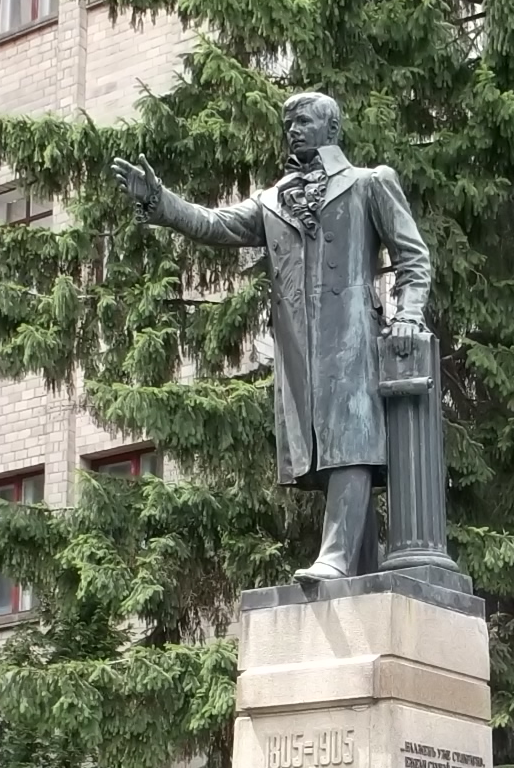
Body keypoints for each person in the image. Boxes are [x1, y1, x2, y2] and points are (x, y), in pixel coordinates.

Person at [112, 92, 431, 582]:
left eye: (303, 121)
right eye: (288, 124)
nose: (294, 130)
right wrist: (161, 202)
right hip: (300, 347)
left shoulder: (370, 183)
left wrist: (408, 314)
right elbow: (214, 224)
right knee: (326, 450)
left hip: (353, 338)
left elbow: (413, 258)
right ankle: (362, 564)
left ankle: (336, 556)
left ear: (331, 128)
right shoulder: (273, 199)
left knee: (351, 438)